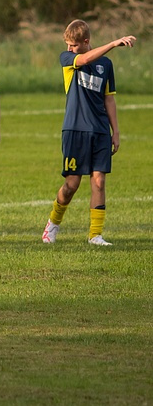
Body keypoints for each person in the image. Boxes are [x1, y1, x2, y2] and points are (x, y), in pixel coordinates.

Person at [42, 21, 136, 246]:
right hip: (75, 129)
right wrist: (113, 43)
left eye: (73, 45)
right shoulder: (67, 58)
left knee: (99, 181)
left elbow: (109, 99)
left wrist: (116, 131)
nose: (69, 48)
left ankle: (95, 235)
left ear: (86, 41)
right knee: (71, 185)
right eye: (67, 44)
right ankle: (52, 224)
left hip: (100, 130)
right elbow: (83, 60)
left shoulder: (106, 65)